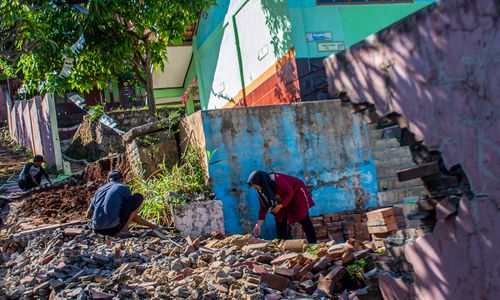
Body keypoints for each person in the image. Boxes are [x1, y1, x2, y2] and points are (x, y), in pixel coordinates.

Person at [247, 170, 317, 243]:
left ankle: (313, 243)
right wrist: (258, 225)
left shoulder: (277, 178)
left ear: (260, 181)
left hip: (296, 192)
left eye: (255, 185)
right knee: (279, 219)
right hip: (281, 198)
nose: (254, 187)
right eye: (253, 186)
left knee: (303, 217)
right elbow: (263, 207)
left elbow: (290, 192)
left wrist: (279, 206)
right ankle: (282, 243)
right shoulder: (261, 190)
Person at [86, 170, 159, 237]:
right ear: (121, 180)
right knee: (138, 197)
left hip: (97, 230)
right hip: (113, 229)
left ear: (108, 180)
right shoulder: (123, 188)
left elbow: (88, 214)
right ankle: (123, 230)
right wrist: (152, 226)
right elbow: (130, 214)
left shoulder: (99, 190)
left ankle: (114, 227)